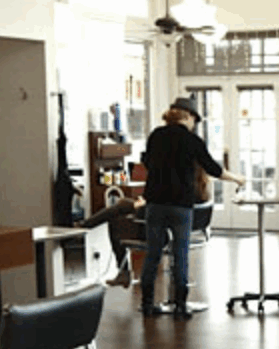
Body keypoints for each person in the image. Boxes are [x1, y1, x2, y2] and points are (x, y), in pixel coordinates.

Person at [139, 97, 245, 319]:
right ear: (187, 116)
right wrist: (236, 178)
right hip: (180, 205)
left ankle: (147, 305)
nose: (194, 124)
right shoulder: (192, 140)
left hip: (155, 203)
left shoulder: (156, 136)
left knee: (153, 254)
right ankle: (179, 306)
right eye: (194, 120)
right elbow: (213, 169)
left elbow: (147, 162)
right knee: (180, 254)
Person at [80, 165, 212, 288]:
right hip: (183, 234)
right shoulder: (201, 188)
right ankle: (85, 225)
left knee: (119, 212)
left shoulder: (179, 187)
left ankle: (86, 227)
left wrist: (144, 204)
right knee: (120, 211)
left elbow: (161, 210)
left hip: (161, 233)